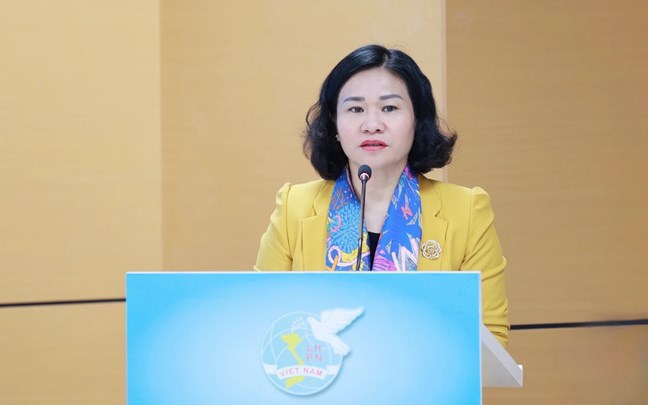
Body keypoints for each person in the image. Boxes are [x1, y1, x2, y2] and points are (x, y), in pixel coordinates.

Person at [254, 44, 509, 346]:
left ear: (417, 119)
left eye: (389, 108)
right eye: (355, 109)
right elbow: (262, 321)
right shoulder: (293, 209)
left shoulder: (466, 212)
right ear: (334, 124)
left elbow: (491, 340)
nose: (372, 125)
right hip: (317, 373)